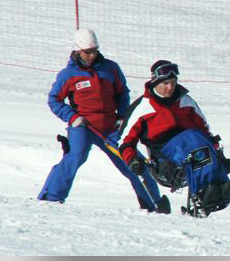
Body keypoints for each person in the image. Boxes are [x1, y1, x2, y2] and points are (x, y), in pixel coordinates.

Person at [37, 28, 169, 214]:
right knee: (75, 157)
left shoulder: (110, 68)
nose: (91, 56)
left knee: (132, 160)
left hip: (110, 127)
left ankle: (153, 203)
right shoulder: (68, 74)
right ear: (77, 50)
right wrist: (72, 117)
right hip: (83, 127)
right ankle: (51, 198)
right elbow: (54, 100)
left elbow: (123, 93)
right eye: (87, 52)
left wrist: (122, 116)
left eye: (94, 51)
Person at [119, 60, 230, 217]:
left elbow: (205, 131)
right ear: (155, 82)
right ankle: (205, 193)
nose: (170, 87)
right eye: (166, 83)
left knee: (200, 142)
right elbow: (125, 142)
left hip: (194, 146)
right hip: (166, 159)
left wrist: (219, 155)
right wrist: (132, 160)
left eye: (173, 82)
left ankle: (221, 188)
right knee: (193, 140)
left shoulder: (185, 101)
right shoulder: (143, 107)